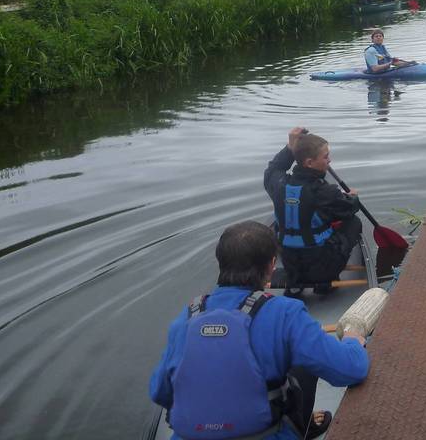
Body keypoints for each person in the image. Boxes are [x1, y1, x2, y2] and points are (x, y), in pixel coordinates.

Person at [149, 220, 368, 440]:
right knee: (303, 364)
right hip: (267, 434)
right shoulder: (285, 314)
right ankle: (304, 425)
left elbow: (159, 392)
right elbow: (350, 370)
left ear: (221, 263)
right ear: (272, 265)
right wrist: (352, 340)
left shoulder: (186, 318)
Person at [263, 128, 363, 294]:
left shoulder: (278, 185)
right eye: (325, 157)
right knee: (353, 222)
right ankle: (326, 282)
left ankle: (295, 283)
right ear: (309, 163)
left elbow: (273, 170)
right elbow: (350, 208)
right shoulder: (326, 193)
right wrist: (353, 197)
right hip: (323, 269)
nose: (329, 160)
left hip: (290, 264)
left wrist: (290, 147)